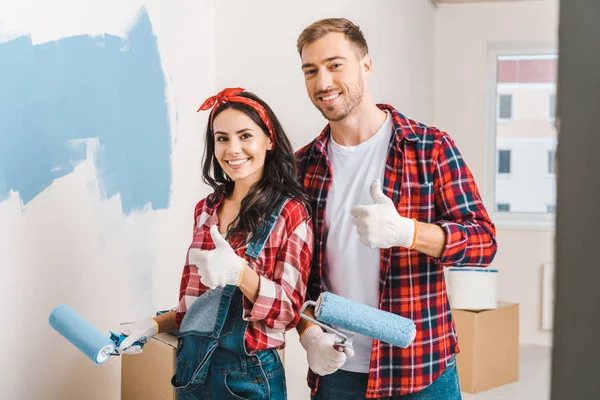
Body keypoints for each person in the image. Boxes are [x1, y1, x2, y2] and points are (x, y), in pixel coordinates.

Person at [293, 18, 498, 399]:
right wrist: (309, 335)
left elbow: (483, 243)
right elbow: (297, 282)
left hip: (420, 368)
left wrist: (409, 232)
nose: (323, 82)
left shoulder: (429, 147)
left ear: (366, 66)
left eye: (335, 65)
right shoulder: (301, 167)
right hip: (337, 373)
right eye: (311, 70)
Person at [117, 87, 313, 400]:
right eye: (222, 138)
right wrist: (151, 326)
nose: (233, 149)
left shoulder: (290, 212)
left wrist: (241, 275)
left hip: (248, 377)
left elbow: (289, 311)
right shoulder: (206, 209)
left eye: (245, 135)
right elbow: (197, 309)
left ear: (269, 140)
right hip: (190, 371)